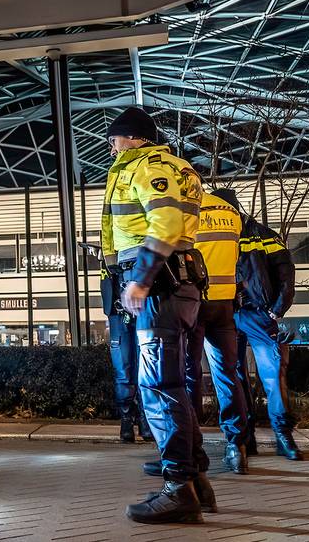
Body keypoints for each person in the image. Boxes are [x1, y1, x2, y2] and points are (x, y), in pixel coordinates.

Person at [101, 107, 210, 524]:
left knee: (158, 388)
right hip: (181, 284)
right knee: (174, 384)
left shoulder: (147, 165)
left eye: (114, 140)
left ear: (129, 137)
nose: (111, 148)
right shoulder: (180, 167)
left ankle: (178, 490)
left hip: (159, 284)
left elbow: (163, 222)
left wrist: (140, 278)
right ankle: (195, 478)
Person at [140, 191, 249, 479]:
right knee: (228, 374)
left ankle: (191, 452)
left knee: (186, 376)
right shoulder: (231, 212)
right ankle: (237, 447)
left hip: (197, 300)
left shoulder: (191, 208)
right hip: (225, 304)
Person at [213, 188, 303, 462]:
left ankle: (281, 436)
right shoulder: (218, 234)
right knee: (234, 378)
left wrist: (277, 310)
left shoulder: (262, 234)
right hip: (226, 313)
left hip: (256, 313)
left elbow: (286, 271)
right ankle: (245, 438)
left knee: (271, 376)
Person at [102, 271, 154, 443]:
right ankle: (128, 422)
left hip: (141, 301)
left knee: (142, 367)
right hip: (118, 305)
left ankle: (143, 419)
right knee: (123, 368)